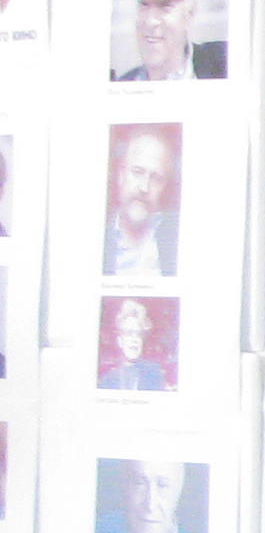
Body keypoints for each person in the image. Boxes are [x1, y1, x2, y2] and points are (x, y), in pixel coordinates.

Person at [104, 125, 179, 277]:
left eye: (156, 178)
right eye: (137, 172)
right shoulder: (98, 235)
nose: (144, 187)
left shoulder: (175, 241)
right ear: (121, 175)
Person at [115, 0, 222, 81]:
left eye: (165, 6)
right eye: (144, 4)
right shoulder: (123, 83)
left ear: (190, 13)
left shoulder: (222, 63)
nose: (150, 21)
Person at [99, 459, 200, 533]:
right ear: (125, 488)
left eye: (162, 485)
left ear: (178, 493)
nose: (150, 505)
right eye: (139, 483)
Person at [98, 298, 170, 392]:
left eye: (139, 334)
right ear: (120, 341)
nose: (134, 339)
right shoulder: (107, 380)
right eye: (129, 333)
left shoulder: (155, 374)